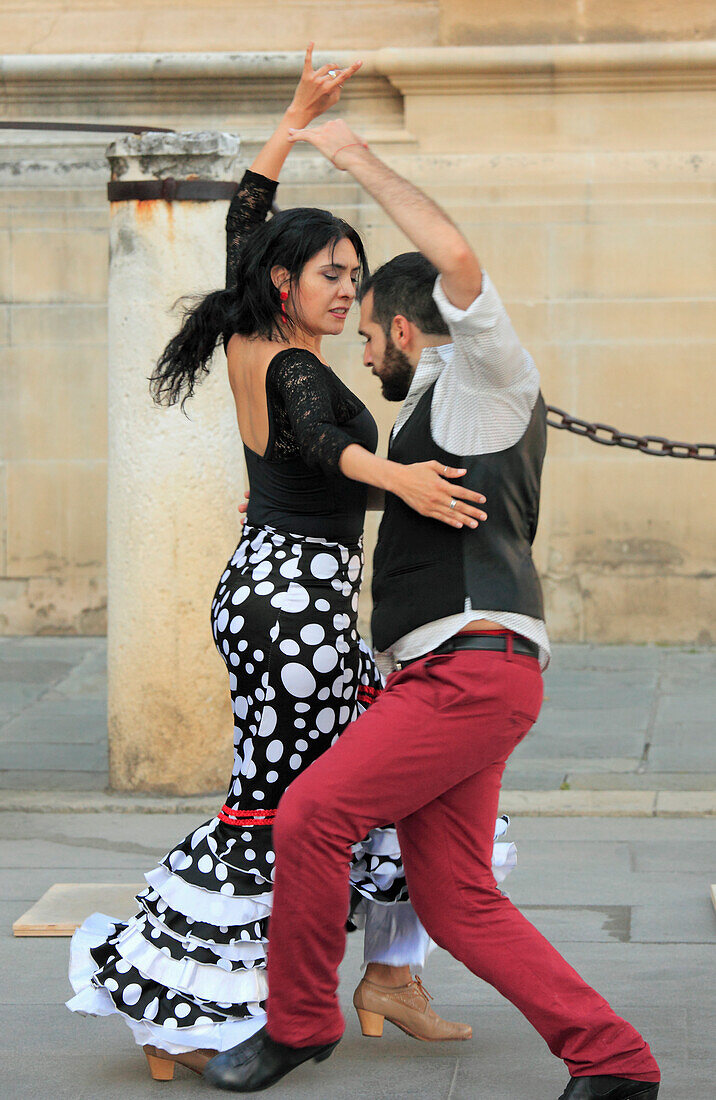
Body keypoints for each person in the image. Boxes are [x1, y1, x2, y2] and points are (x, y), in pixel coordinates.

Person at [66, 47, 502, 1082]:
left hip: (263, 586)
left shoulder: (245, 337)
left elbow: (241, 219)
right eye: (332, 275)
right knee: (328, 798)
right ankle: (220, 997)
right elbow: (320, 441)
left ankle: (280, 991)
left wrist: (295, 116)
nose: (348, 291)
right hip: (295, 601)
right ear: (284, 282)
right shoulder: (295, 364)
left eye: (354, 276)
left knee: (275, 794)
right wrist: (397, 482)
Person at [204, 120, 661, 1099]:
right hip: (463, 669)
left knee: (314, 814)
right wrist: (312, 497)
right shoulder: (432, 410)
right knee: (455, 898)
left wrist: (357, 159)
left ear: (403, 327)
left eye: (366, 334)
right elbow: (405, 487)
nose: (362, 354)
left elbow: (454, 259)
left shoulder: (484, 378)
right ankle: (613, 1060)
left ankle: (297, 1023)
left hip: (466, 664)